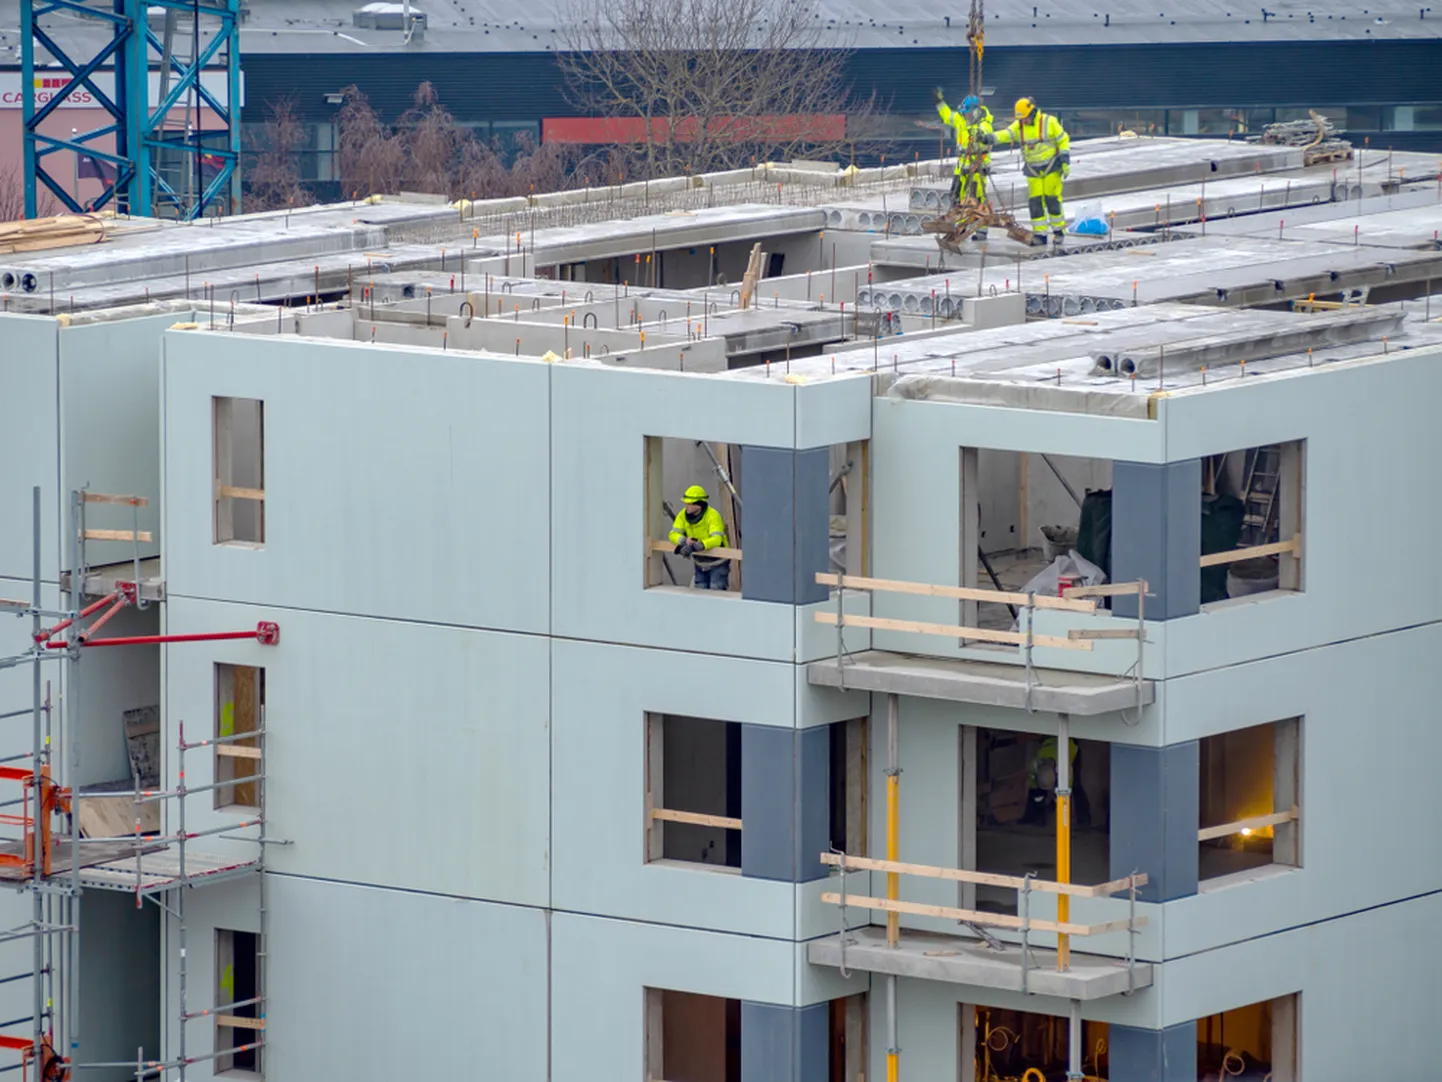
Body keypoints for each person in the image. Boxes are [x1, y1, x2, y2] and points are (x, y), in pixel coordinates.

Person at [986, 97, 1071, 247]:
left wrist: (1065, 160)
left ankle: (1058, 232)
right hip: (1033, 169)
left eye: (1024, 118)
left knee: (1052, 200)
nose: (1023, 121)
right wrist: (989, 138)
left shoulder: (1048, 122)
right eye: (1021, 119)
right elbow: (1006, 134)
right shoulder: (1019, 126)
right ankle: (1040, 234)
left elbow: (1063, 139)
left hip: (1052, 167)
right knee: (1035, 203)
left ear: (1031, 113)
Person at [933, 89, 995, 238]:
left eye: (967, 113)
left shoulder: (984, 126)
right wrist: (939, 102)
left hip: (977, 169)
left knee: (976, 199)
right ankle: (959, 226)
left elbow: (986, 148)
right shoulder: (961, 119)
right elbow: (948, 115)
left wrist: (976, 163)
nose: (965, 115)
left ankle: (980, 230)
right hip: (962, 168)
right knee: (956, 197)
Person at [668, 485, 731, 591]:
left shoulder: (712, 515)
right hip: (700, 562)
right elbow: (673, 534)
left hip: (717, 562)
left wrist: (701, 545)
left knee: (716, 591)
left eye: (689, 504)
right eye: (686, 503)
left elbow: (717, 539)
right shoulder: (683, 515)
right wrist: (684, 541)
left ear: (699, 505)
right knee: (700, 591)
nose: (686, 506)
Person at [1023, 736, 1089, 825]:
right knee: (1036, 793)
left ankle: (1083, 819)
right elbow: (1033, 785)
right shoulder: (1034, 765)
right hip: (1050, 743)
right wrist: (1039, 800)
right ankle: (1036, 818)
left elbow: (1066, 789)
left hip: (1071, 748)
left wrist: (1055, 800)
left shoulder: (1065, 768)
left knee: (1076, 786)